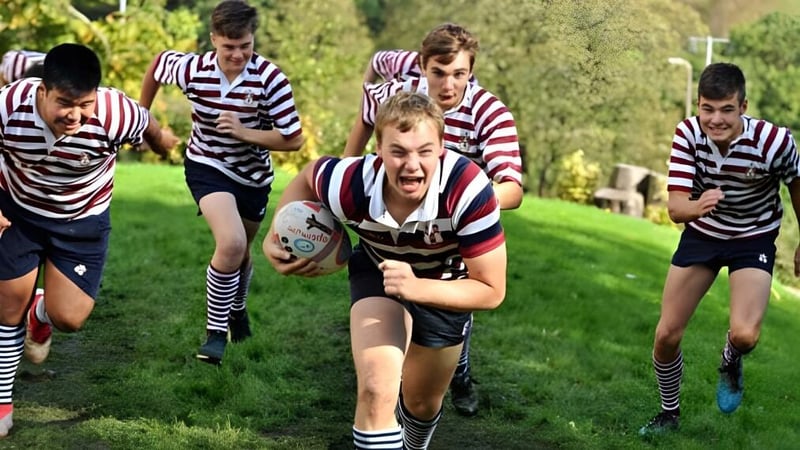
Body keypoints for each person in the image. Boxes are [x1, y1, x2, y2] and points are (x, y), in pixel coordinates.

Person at [265, 91, 507, 450]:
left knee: (421, 404)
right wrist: (276, 232)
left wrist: (416, 287)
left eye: (425, 151)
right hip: (378, 269)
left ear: (441, 147)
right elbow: (307, 177)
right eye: (398, 151)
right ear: (378, 148)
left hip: (446, 285)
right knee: (377, 389)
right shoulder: (349, 183)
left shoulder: (468, 191)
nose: (412, 164)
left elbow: (491, 289)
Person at [0, 42, 178, 438]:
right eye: (65, 103)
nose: (76, 115)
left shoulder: (115, 113)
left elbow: (144, 119)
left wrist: (161, 140)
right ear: (41, 90)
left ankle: (42, 313)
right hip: (19, 211)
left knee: (71, 318)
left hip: (82, 221)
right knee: (7, 305)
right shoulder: (9, 107)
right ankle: (2, 402)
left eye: (85, 104)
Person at [344, 23, 523, 417]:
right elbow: (373, 79)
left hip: (454, 239)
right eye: (438, 73)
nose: (448, 84)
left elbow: (512, 187)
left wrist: (464, 202)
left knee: (452, 309)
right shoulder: (396, 96)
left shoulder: (489, 113)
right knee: (384, 299)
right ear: (421, 65)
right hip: (393, 223)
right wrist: (350, 169)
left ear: (471, 70)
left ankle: (457, 371)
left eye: (459, 73)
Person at [638, 62, 800, 436]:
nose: (716, 119)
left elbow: (796, 183)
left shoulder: (774, 141)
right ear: (698, 105)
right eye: (707, 108)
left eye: (727, 109)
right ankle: (668, 413)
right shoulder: (688, 134)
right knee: (666, 334)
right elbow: (677, 208)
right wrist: (700, 205)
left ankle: (731, 357)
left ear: (743, 106)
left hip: (753, 235)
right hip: (704, 233)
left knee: (745, 334)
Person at [140, 0, 304, 366]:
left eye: (245, 45)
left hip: (253, 177)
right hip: (206, 165)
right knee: (230, 244)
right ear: (213, 39)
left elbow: (293, 139)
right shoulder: (193, 68)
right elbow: (157, 64)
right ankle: (216, 334)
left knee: (242, 253)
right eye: (229, 47)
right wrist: (143, 112)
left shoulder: (270, 79)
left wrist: (246, 133)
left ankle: (238, 310)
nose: (238, 54)